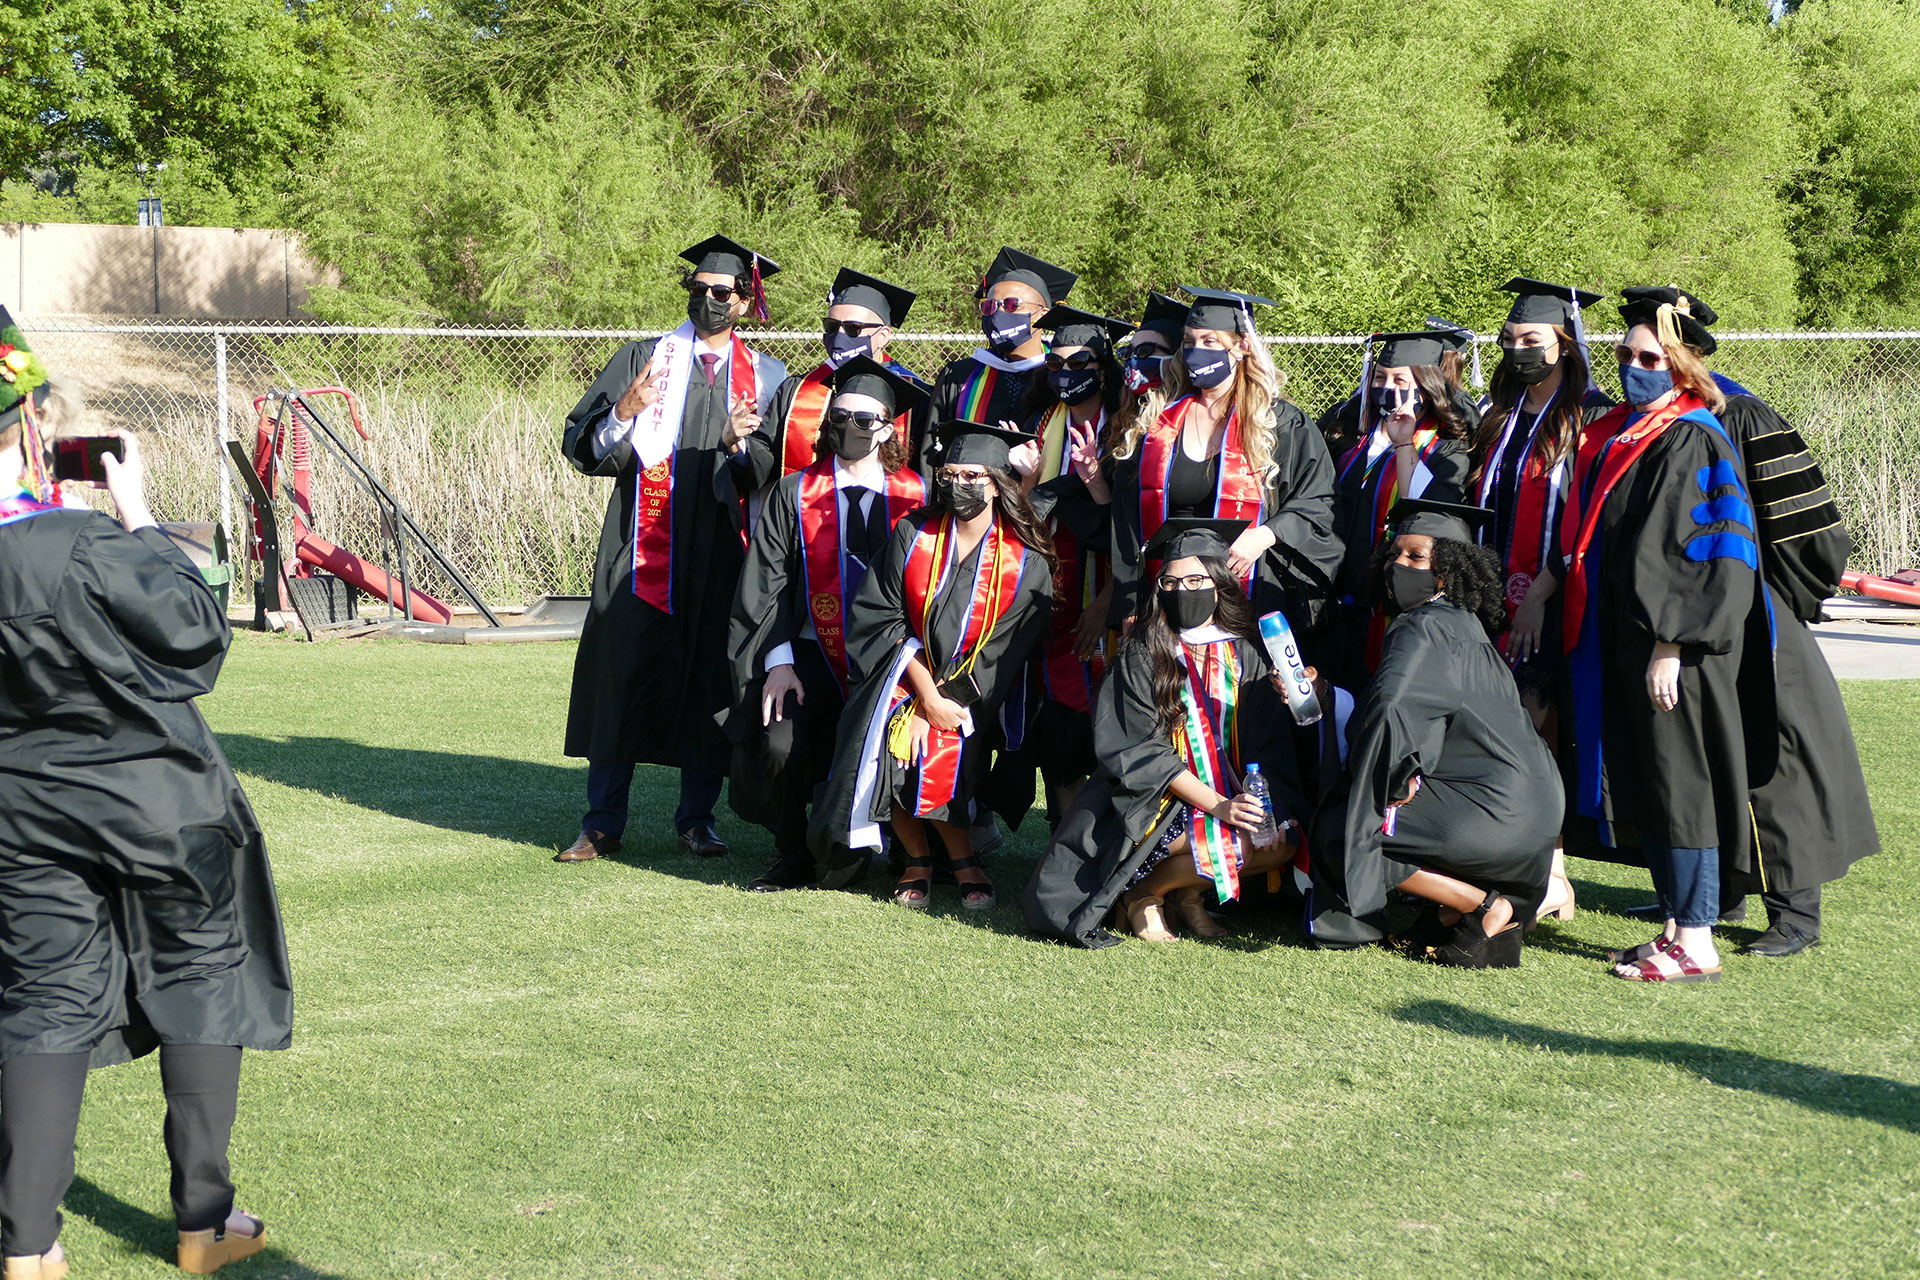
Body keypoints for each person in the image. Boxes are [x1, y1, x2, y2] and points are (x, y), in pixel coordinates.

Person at [0, 315, 292, 1278]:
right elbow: (197, 635)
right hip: (155, 797)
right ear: (33, 421)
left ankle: (28, 1246)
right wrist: (136, 512)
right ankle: (204, 1225)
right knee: (201, 978)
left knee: (42, 1004)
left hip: (21, 808)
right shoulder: (80, 543)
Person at [1561, 285, 1769, 983]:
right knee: (1652, 784)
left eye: (1649, 355)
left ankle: (1699, 939)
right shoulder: (1633, 431)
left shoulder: (1690, 438)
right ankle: (1677, 927)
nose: (1631, 364)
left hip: (1676, 650)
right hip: (1634, 642)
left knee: (1681, 788)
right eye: (1625, 353)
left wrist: (1671, 644)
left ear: (1682, 366)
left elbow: (1701, 554)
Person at [556, 235, 787, 863]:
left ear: (744, 300)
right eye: (697, 289)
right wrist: (623, 414)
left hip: (721, 547)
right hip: (641, 545)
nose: (707, 300)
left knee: (710, 678)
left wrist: (743, 445)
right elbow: (582, 445)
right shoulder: (643, 358)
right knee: (623, 671)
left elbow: (772, 472)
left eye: (721, 292)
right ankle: (601, 822)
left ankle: (697, 820)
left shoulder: (767, 376)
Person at [1024, 518, 1307, 947]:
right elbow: (1139, 752)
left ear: (1219, 583)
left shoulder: (1245, 651)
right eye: (1171, 583)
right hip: (1158, 798)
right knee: (1227, 837)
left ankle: (1184, 891)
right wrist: (1221, 807)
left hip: (1228, 786)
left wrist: (1256, 800)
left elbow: (1267, 743)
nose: (1182, 592)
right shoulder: (1142, 652)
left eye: (1196, 580)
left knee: (1278, 838)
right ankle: (1142, 894)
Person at [807, 422, 1056, 908]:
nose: (958, 486)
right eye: (949, 474)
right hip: (899, 674)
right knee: (890, 738)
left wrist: (942, 704)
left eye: (972, 476)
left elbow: (1004, 650)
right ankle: (919, 857)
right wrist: (923, 695)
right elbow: (880, 615)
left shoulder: (1026, 560)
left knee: (943, 741)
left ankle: (961, 855)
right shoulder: (913, 532)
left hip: (975, 689)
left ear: (997, 482)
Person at [1306, 500, 1562, 967]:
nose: (1398, 565)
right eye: (1394, 555)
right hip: (1535, 810)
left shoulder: (1422, 627)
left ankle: (1481, 907)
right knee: (1391, 811)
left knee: (1344, 821)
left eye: (1416, 557)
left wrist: (1394, 780)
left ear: (1448, 570)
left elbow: (1393, 710)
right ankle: (1447, 921)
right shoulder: (1467, 628)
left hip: (1492, 813)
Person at [723, 357, 930, 891]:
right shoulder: (794, 493)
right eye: (839, 416)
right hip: (809, 652)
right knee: (779, 743)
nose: (849, 428)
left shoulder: (918, 497)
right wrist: (779, 662)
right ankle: (791, 854)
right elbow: (764, 587)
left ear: (888, 428)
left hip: (893, 661)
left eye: (865, 420)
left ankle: (909, 855)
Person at [1710, 377, 1879, 955]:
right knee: (1706, 755)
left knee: (1780, 761)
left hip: (1759, 613)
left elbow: (1809, 529)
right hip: (1693, 613)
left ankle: (1796, 912)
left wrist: (1782, 598)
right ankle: (1718, 892)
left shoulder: (1743, 414)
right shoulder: (1656, 420)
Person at [1469, 279, 1613, 923]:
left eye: (1532, 339)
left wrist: (1542, 593)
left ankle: (1552, 870)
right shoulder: (1501, 413)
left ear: (1565, 341)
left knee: (1539, 730)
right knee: (1499, 728)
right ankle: (1511, 858)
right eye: (1509, 340)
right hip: (1493, 595)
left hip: (1553, 599)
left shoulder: (1590, 415)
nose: (1518, 350)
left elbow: (1590, 518)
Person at [1108, 286, 1341, 643]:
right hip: (1167, 597)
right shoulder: (1159, 421)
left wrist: (1265, 535)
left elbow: (1318, 498)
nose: (1196, 352)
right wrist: (1129, 603)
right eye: (1189, 341)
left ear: (1242, 346)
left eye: (1210, 341)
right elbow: (1127, 521)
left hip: (1248, 590)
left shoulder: (1278, 423)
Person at [983, 304, 1132, 830]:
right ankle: (1061, 843)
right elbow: (1020, 519)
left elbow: (1130, 528)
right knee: (1055, 730)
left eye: (1081, 361)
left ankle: (1102, 846)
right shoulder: (1038, 425)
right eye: (1057, 362)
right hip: (1043, 597)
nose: (1067, 372)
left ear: (1103, 367)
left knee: (1094, 724)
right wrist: (1020, 482)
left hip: (1103, 601)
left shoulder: (1129, 432)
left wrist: (1108, 599)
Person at [1326, 329, 1474, 690]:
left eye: (1401, 380)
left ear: (1426, 387)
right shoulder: (1348, 433)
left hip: (1391, 596)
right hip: (1337, 592)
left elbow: (1424, 516)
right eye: (1380, 377)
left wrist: (1404, 443)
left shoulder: (1446, 448)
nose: (1387, 388)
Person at [756, 268, 928, 484]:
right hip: (809, 510)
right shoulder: (796, 389)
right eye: (831, 326)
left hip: (884, 513)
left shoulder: (915, 397)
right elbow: (766, 456)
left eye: (853, 328)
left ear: (883, 335)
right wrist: (737, 445)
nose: (839, 335)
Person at [927, 248, 1078, 471]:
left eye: (1011, 305)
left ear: (1042, 314)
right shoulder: (960, 376)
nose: (998, 314)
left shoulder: (1062, 375)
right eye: (989, 306)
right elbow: (933, 449)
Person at [1115, 291, 1189, 436]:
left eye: (1145, 350)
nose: (1134, 359)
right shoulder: (1121, 422)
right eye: (1128, 352)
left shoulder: (1191, 421)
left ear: (1176, 357)